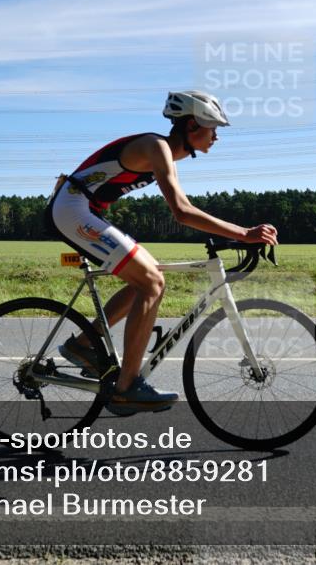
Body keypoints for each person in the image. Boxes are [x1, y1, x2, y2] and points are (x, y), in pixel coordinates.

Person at [47, 90, 278, 415]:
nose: (216, 136)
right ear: (193, 125)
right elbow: (181, 211)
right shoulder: (157, 147)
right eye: (213, 128)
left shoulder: (164, 151)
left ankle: (84, 344)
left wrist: (239, 235)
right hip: (73, 208)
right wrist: (245, 233)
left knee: (149, 274)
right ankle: (127, 387)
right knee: (152, 281)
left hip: (83, 208)